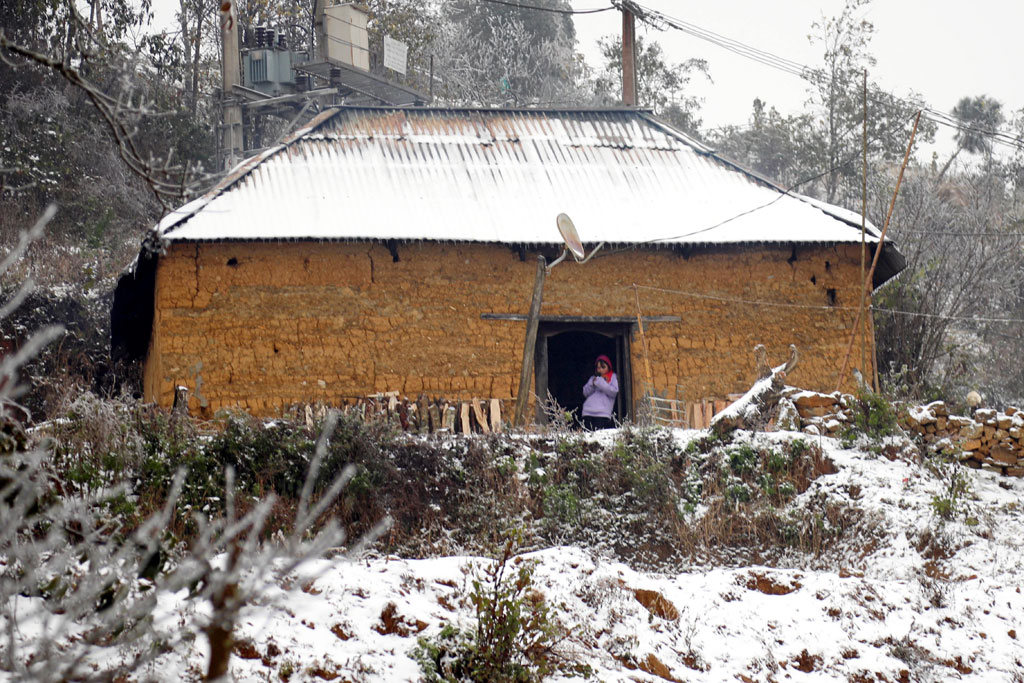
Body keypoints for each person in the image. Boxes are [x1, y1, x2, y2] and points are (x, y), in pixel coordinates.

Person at [581, 354, 618, 431]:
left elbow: (614, 391)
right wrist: (592, 384)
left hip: (602, 413)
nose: (600, 370)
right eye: (598, 368)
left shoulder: (613, 377)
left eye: (603, 367)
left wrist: (600, 383)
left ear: (609, 367)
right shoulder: (593, 378)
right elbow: (585, 393)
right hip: (588, 411)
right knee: (587, 436)